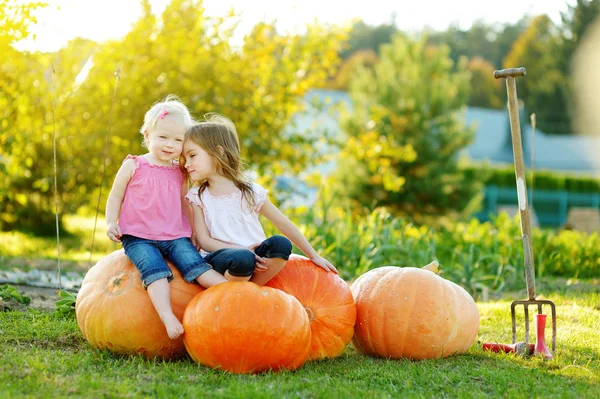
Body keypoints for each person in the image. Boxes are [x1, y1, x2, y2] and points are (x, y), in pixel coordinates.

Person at [105, 96, 227, 340]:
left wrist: (193, 231)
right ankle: (166, 315)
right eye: (163, 137)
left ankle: (233, 292)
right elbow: (115, 195)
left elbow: (185, 203)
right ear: (147, 135)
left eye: (178, 140)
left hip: (174, 236)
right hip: (138, 237)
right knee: (155, 271)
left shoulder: (180, 172)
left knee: (196, 266)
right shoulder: (134, 165)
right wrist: (111, 221)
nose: (170, 144)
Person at [182, 113, 338, 286]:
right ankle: (239, 291)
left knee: (281, 244)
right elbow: (205, 241)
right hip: (224, 258)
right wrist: (242, 249)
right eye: (185, 158)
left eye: (192, 155)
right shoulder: (198, 195)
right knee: (243, 258)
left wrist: (313, 255)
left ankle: (254, 289)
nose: (186, 163)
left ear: (218, 152)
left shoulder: (251, 192)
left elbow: (283, 223)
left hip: (257, 259)